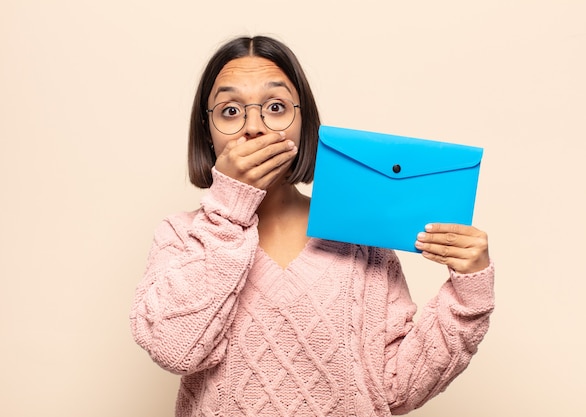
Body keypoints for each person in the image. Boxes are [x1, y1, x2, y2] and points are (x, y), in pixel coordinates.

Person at [130, 35, 494, 417]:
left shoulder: (358, 237)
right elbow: (174, 348)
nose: (253, 127)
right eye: (230, 111)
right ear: (208, 131)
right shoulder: (180, 236)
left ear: (305, 125)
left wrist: (469, 295)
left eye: (275, 106)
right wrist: (228, 208)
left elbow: (395, 388)